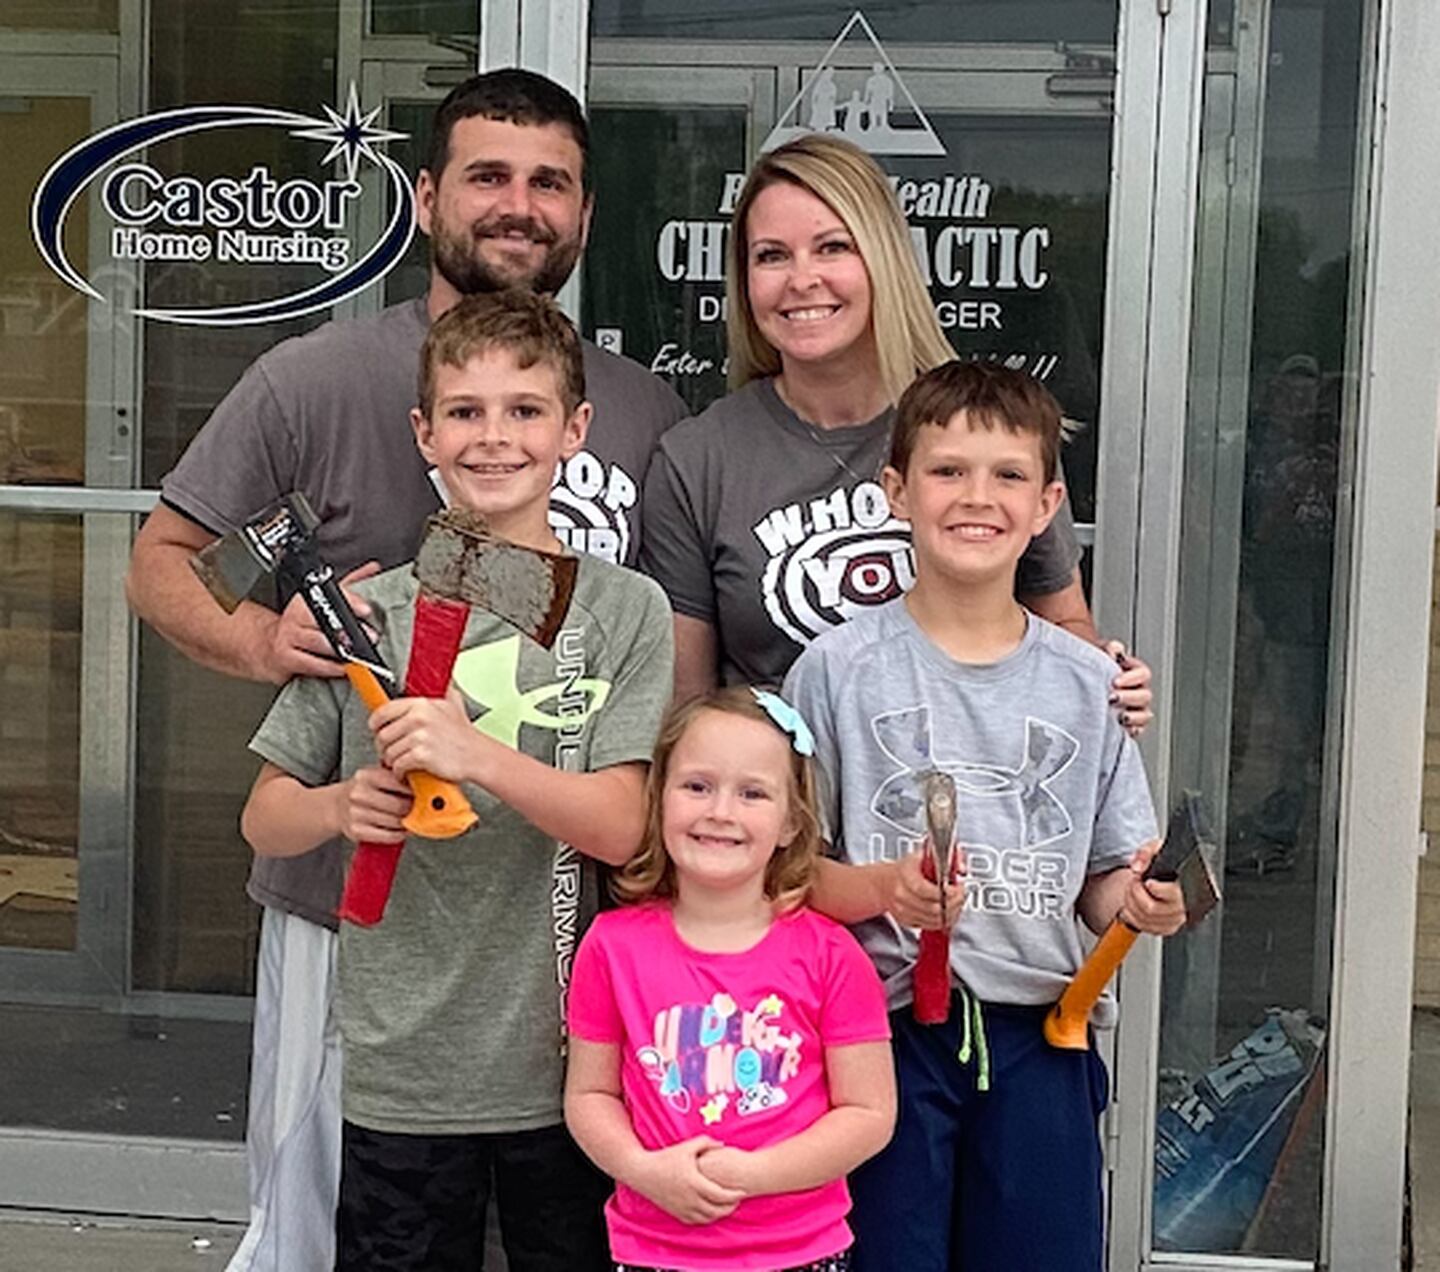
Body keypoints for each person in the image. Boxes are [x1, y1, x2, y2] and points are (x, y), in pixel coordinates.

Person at [124, 69, 687, 1272]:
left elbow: (666, 657)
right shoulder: (314, 381)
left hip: (549, 941)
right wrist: (262, 641)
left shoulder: (641, 407)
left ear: (586, 216)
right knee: (329, 1220)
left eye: (550, 184)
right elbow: (170, 564)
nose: (518, 206)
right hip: (356, 921)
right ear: (429, 194)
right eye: (488, 175)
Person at [241, 290, 674, 1270]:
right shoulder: (366, 615)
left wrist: (475, 755)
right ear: (423, 432)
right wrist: (337, 807)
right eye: (465, 413)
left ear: (576, 430)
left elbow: (622, 827)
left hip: (572, 1059)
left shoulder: (620, 611)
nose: (493, 438)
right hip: (401, 1060)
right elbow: (264, 819)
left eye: (524, 411)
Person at [783, 360, 1187, 1271]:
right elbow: (792, 875)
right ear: (896, 490)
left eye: (1007, 475)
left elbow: (1102, 882)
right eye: (947, 470)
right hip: (875, 1040)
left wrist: (1141, 897)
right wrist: (887, 890)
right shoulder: (836, 671)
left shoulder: (1091, 684)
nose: (978, 497)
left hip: (1046, 1033)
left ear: (1047, 504)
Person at [640, 132, 1151, 726]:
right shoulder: (696, 460)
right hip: (784, 804)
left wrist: (1106, 676)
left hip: (976, 790)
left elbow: (1061, 625)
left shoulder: (988, 428)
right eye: (772, 255)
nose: (802, 279)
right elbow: (691, 706)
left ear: (882, 257)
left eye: (832, 248)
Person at [565, 686, 895, 1272]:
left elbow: (869, 1114)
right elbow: (590, 1096)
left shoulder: (833, 954)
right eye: (697, 786)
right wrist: (644, 1169)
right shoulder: (611, 947)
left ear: (792, 821)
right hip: (653, 1250)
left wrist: (752, 1175)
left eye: (752, 793)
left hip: (800, 1251)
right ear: (659, 798)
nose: (720, 812)